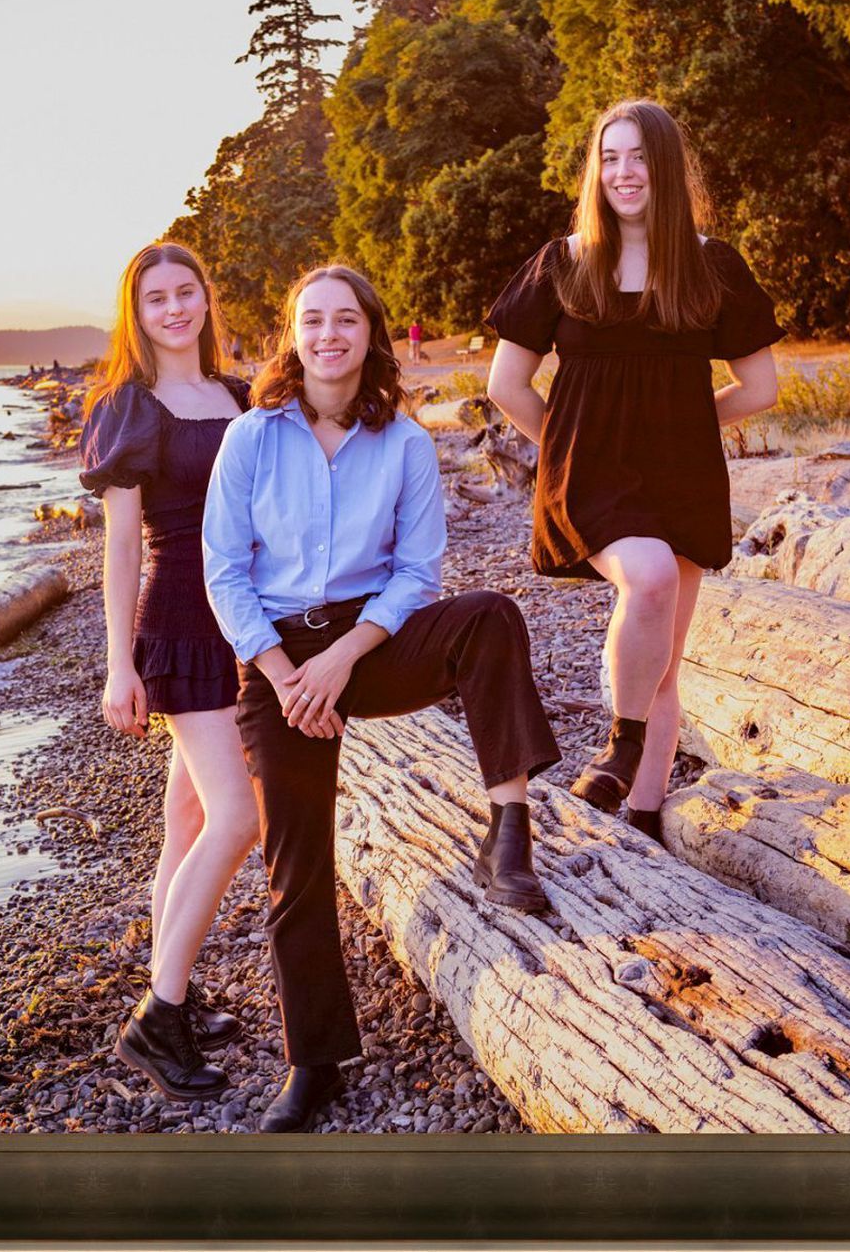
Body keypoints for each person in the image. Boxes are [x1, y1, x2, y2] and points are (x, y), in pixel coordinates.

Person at [202, 264, 561, 1133]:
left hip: (371, 645)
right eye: (312, 320)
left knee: (489, 618)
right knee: (296, 861)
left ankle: (509, 829)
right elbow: (225, 570)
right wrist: (291, 674)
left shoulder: (402, 441)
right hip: (276, 659)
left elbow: (416, 572)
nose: (328, 335)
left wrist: (344, 661)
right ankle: (315, 1059)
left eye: (345, 320)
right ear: (295, 334)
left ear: (370, 331)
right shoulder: (252, 436)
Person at [484, 99, 782, 842]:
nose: (624, 172)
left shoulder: (712, 264)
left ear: (668, 168)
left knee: (668, 664)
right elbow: (506, 385)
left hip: (681, 473)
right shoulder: (565, 261)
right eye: (610, 157)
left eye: (640, 157)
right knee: (646, 578)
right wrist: (568, 443)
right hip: (592, 473)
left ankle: (643, 816)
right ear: (596, 171)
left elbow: (762, 387)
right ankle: (621, 741)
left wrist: (677, 428)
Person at [78, 242, 259, 1102]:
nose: (177, 309)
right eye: (158, 299)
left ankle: (171, 991)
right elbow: (120, 544)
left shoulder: (239, 395)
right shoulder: (130, 408)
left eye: (188, 292)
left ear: (206, 300)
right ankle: (158, 1017)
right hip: (180, 621)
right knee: (239, 817)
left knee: (186, 822)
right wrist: (118, 665)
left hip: (242, 617)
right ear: (137, 313)